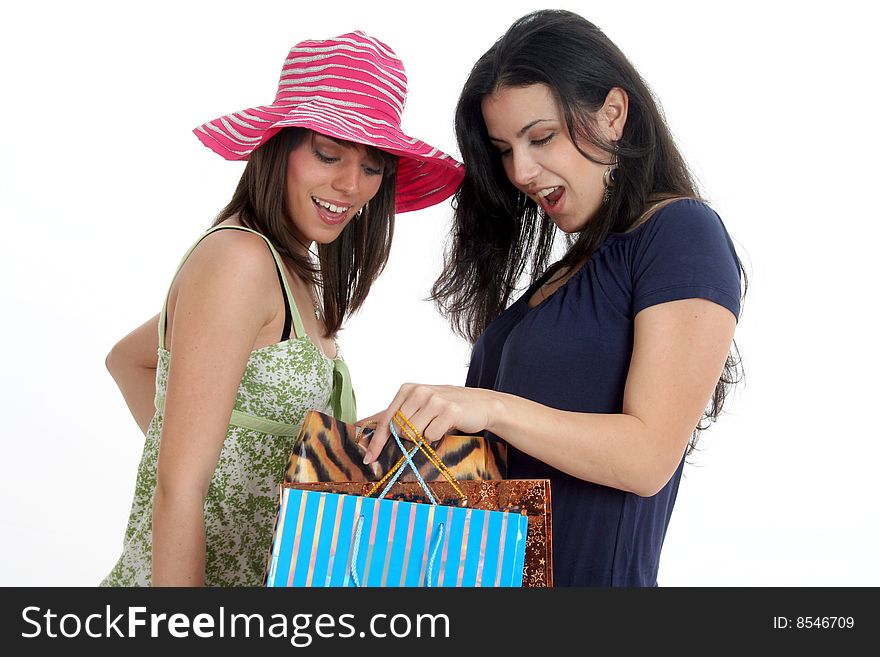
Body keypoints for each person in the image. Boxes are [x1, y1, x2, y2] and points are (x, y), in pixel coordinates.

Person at [361, 10, 745, 587]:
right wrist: (418, 432)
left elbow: (647, 459)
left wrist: (487, 405)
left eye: (541, 137)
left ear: (612, 114)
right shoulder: (565, 274)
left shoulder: (681, 234)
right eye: (503, 149)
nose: (520, 170)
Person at [101, 31, 463, 587]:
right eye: (328, 153)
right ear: (280, 146)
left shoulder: (286, 270)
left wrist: (240, 455)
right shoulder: (239, 261)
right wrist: (190, 469)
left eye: (372, 167)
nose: (350, 185)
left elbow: (132, 360)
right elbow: (179, 484)